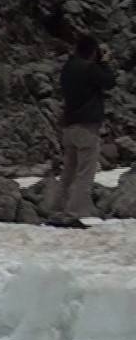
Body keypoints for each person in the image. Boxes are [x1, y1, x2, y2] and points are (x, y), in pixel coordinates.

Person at [44, 36, 118, 220]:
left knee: (68, 171)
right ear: (93, 52)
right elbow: (109, 82)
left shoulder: (68, 68)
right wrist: (105, 63)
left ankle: (56, 208)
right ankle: (74, 211)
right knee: (86, 172)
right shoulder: (88, 68)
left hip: (69, 125)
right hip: (86, 126)